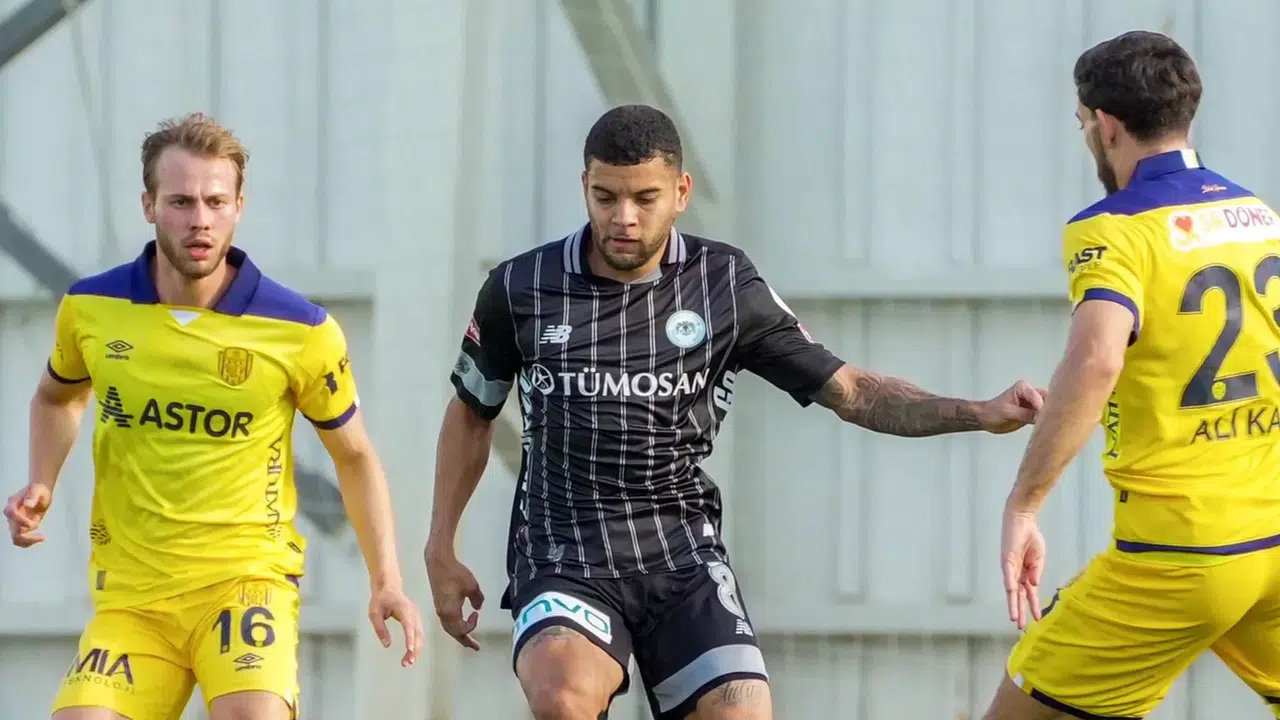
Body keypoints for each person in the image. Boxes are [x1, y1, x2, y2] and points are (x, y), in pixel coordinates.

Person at [426, 103, 1045, 720]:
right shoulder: (521, 287)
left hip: (681, 554)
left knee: (741, 714)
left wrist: (978, 411)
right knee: (564, 697)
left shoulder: (723, 284)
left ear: (681, 192)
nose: (623, 217)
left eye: (645, 198)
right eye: (605, 197)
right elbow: (471, 413)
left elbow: (852, 390)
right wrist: (440, 546)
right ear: (584, 185)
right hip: (565, 553)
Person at [2, 113, 423, 720]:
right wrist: (41, 481)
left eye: (215, 201)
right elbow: (57, 396)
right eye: (180, 202)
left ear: (238, 208)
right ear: (148, 206)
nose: (199, 219)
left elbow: (355, 456)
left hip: (245, 584)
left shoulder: (299, 329)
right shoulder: (92, 308)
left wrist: (387, 581)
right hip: (133, 601)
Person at [985, 31, 1280, 720]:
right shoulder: (1260, 217)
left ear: (1105, 124)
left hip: (1180, 553)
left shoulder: (1112, 228)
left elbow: (1096, 360)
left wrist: (1024, 505)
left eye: (1082, 124)